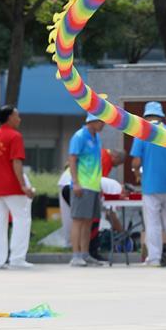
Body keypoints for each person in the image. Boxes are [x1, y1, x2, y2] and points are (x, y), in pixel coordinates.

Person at [130, 102, 166, 267]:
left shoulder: (142, 133)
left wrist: (136, 173)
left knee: (152, 223)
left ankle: (154, 258)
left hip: (151, 186)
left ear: (146, 116)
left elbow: (136, 161)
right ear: (161, 116)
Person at [0, 105, 34, 269]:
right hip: (13, 187)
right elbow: (16, 162)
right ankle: (17, 259)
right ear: (9, 118)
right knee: (22, 220)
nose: (19, 119)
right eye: (17, 116)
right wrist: (23, 186)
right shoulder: (15, 136)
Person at [68, 114, 106, 267]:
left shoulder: (96, 138)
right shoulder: (79, 136)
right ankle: (75, 255)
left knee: (88, 221)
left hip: (93, 186)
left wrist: (99, 184)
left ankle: (85, 253)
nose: (103, 125)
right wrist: (76, 183)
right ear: (92, 121)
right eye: (101, 121)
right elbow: (72, 159)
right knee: (78, 220)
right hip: (82, 185)